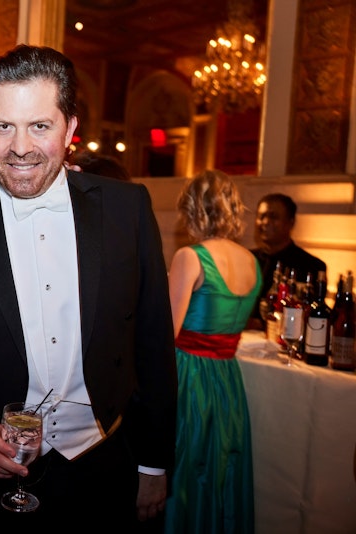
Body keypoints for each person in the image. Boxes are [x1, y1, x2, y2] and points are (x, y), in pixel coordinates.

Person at [0, 44, 176, 531]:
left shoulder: (126, 209)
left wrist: (154, 463)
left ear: (70, 128)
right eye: (3, 126)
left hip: (105, 465)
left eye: (39, 126)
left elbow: (153, 344)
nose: (19, 147)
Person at [163, 169, 261, 533]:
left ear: (191, 209)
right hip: (228, 379)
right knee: (221, 466)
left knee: (187, 468)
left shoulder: (190, 257)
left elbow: (167, 333)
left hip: (190, 376)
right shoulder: (251, 260)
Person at [247, 193, 326, 330]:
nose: (265, 222)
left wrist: (261, 324)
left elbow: (310, 317)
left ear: (291, 222)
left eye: (273, 217)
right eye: (261, 216)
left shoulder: (311, 266)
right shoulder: (246, 259)